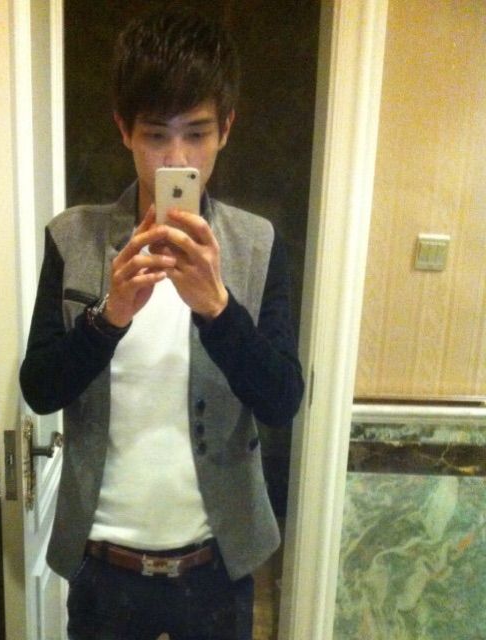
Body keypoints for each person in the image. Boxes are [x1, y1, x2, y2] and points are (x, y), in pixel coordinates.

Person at [20, 7, 304, 639]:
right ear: (124, 129)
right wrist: (109, 318)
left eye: (197, 133)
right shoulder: (73, 238)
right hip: (103, 569)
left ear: (226, 128)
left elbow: (282, 399)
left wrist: (219, 311)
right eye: (156, 135)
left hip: (216, 568)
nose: (177, 158)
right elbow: (39, 387)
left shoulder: (257, 245)